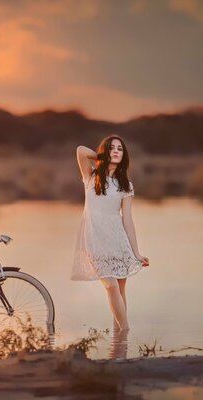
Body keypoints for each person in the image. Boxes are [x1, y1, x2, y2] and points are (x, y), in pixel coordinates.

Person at [72, 135, 150, 333]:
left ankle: (119, 346)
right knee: (111, 287)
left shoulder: (126, 186)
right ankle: (126, 333)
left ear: (124, 156)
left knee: (120, 291)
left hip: (118, 241)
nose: (116, 151)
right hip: (95, 241)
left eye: (120, 149)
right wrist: (102, 156)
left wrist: (137, 253)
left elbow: (128, 221)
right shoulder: (90, 176)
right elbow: (81, 149)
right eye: (112, 148)